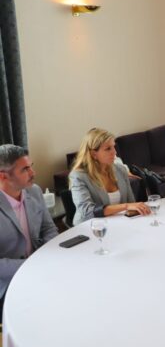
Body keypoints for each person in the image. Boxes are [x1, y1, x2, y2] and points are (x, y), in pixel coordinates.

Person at [0, 144, 58, 301]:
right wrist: (32, 265)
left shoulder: (34, 191)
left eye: (31, 166)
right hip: (7, 284)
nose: (33, 173)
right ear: (3, 176)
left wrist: (46, 256)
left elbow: (48, 228)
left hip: (42, 268)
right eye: (25, 169)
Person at [69, 128, 151, 225]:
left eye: (113, 147)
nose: (115, 152)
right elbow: (87, 211)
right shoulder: (78, 176)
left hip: (119, 224)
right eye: (108, 149)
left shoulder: (121, 170)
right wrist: (125, 206)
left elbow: (131, 203)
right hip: (90, 227)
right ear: (94, 154)